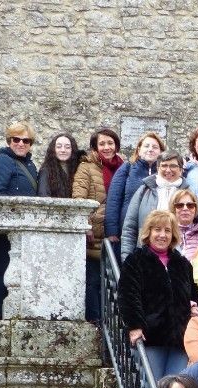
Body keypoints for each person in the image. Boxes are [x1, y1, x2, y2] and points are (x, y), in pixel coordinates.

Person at [118, 210, 198, 381]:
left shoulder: (182, 263)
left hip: (180, 338)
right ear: (149, 232)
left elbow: (194, 294)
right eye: (157, 230)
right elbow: (128, 296)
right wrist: (135, 326)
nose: (162, 235)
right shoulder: (135, 260)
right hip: (151, 337)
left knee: (175, 387)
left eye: (167, 231)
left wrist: (193, 306)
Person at [0, 121, 39, 319]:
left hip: (22, 229)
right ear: (9, 141)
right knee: (2, 269)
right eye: (16, 139)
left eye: (26, 140)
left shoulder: (30, 164)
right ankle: (0, 313)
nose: (21, 144)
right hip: (5, 230)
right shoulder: (3, 160)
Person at [71, 127, 122, 322]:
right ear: (94, 147)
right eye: (102, 144)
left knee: (112, 282)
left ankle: (110, 321)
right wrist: (86, 225)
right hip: (94, 233)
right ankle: (95, 322)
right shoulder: (86, 167)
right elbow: (79, 198)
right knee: (93, 281)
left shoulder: (121, 166)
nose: (107, 147)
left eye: (110, 143)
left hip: (114, 234)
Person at [120, 150, 186, 259]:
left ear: (181, 169)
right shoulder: (144, 191)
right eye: (164, 166)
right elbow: (129, 227)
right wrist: (126, 259)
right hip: (145, 257)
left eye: (173, 166)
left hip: (179, 257)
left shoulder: (188, 193)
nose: (168, 170)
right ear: (158, 168)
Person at [105, 131, 163, 251]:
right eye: (146, 146)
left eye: (155, 147)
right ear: (139, 149)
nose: (150, 149)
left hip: (157, 228)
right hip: (129, 228)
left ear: (161, 151)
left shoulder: (165, 172)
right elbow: (114, 199)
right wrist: (112, 231)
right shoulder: (128, 168)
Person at [37, 132, 80, 198]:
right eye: (59, 147)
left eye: (67, 147)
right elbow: (43, 196)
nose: (63, 150)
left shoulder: (78, 169)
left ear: (72, 150)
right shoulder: (46, 170)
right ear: (53, 149)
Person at [169, 188, 198, 259]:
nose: (185, 208)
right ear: (173, 208)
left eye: (190, 205)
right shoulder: (166, 234)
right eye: (179, 205)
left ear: (195, 209)